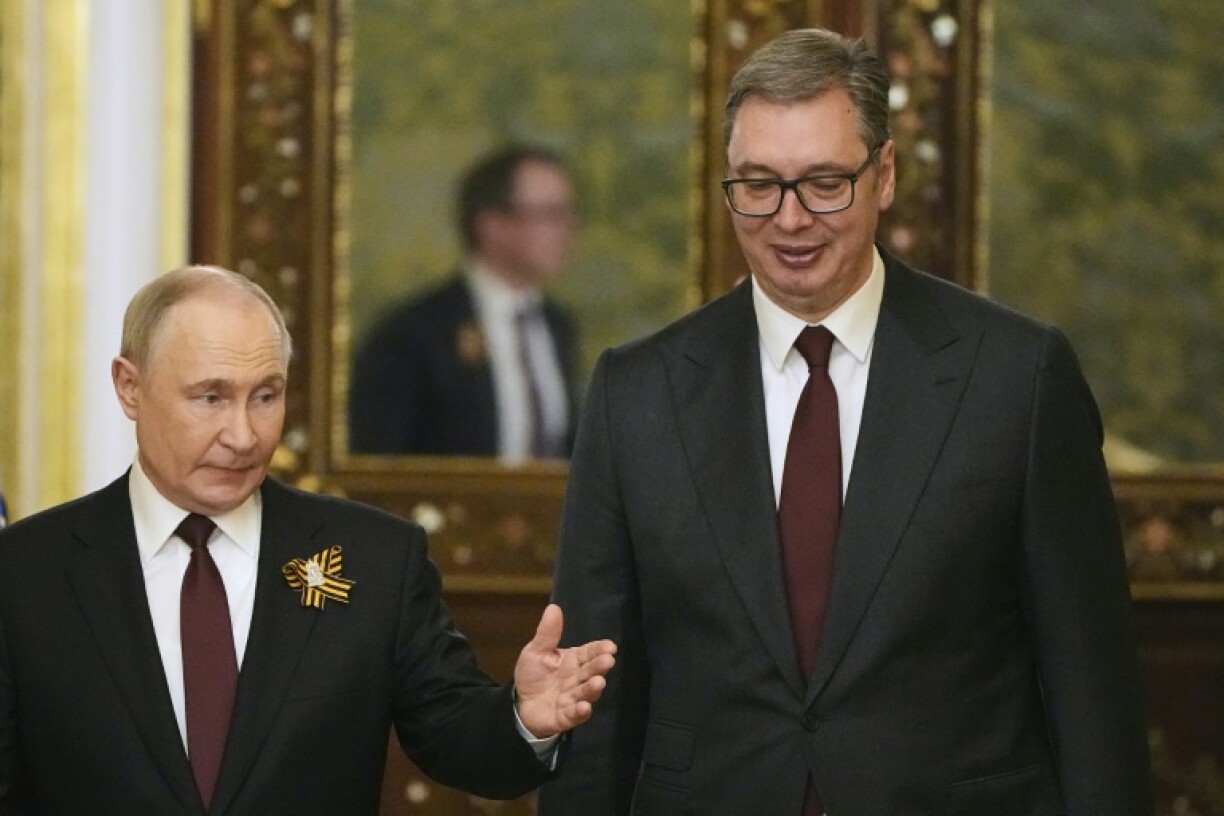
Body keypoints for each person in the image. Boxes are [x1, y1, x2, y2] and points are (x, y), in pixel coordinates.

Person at [539, 28, 1152, 816]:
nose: (790, 220)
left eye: (824, 183)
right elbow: (595, 695)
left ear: (885, 175)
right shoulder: (637, 393)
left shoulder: (1016, 377)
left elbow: (1091, 686)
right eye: (757, 185)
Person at [0, 265, 616, 815]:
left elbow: (456, 738)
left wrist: (522, 720)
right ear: (129, 387)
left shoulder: (375, 558)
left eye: (264, 397)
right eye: (210, 397)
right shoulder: (25, 572)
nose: (242, 435)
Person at [349, 144, 581, 461]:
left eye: (568, 214)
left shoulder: (557, 325)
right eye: (550, 215)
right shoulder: (415, 334)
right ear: (492, 225)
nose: (567, 230)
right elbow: (379, 460)